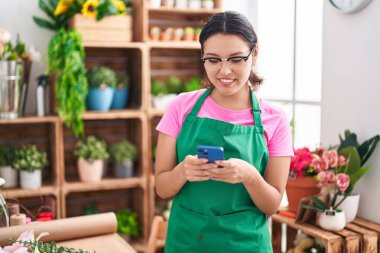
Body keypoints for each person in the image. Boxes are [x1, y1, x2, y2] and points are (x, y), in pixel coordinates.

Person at [155, 11, 293, 253]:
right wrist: (182, 171)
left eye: (236, 59)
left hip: (246, 244)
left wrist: (250, 176)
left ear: (255, 53)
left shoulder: (275, 119)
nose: (224, 71)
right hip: (187, 242)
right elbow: (162, 188)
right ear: (203, 58)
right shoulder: (180, 107)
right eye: (213, 59)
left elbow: (271, 205)